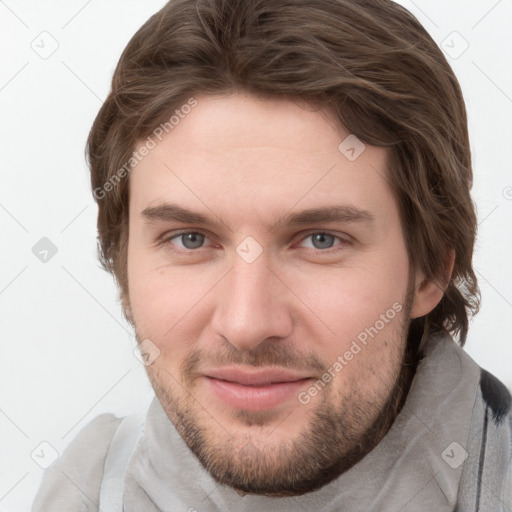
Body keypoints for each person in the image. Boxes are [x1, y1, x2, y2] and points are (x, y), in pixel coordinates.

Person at [32, 0, 512, 510]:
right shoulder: (84, 488)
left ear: (430, 269)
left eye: (320, 240)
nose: (247, 324)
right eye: (190, 239)